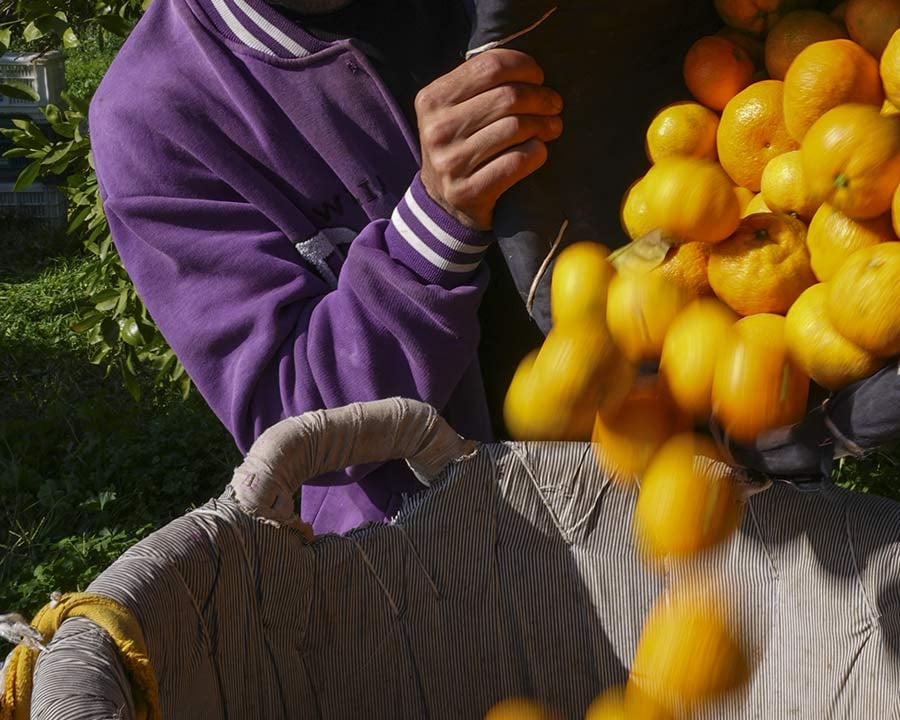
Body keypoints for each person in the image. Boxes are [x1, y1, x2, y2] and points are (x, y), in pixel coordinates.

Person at [89, 0, 560, 534]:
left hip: (651, 440)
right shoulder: (156, 115)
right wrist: (438, 224)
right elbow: (297, 415)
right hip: (462, 562)